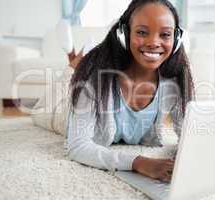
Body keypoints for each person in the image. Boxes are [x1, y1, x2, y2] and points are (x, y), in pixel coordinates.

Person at [67, 0, 195, 183]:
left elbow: (187, 137)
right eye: (142, 32)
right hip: (64, 112)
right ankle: (74, 63)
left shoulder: (173, 82)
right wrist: (138, 162)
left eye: (165, 34)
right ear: (124, 34)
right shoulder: (96, 77)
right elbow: (77, 146)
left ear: (176, 39)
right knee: (45, 111)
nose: (153, 42)